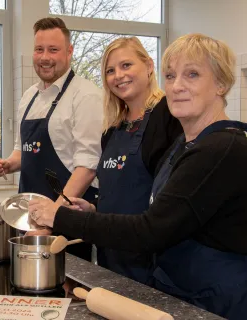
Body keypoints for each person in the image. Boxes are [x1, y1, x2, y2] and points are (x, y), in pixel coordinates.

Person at [28, 33, 247, 320]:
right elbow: (165, 209)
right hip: (180, 288)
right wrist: (93, 210)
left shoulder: (221, 149)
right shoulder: (186, 144)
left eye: (192, 74)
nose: (177, 86)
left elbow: (152, 229)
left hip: (219, 299)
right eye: (171, 75)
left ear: (221, 83)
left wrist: (58, 216)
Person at [0, 17, 103, 261]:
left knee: (68, 290)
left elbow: (87, 167)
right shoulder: (29, 96)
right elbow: (24, 150)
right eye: (39, 49)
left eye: (53, 50)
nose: (45, 57)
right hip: (29, 216)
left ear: (69, 52)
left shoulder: (86, 95)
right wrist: (9, 164)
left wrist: (52, 216)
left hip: (67, 219)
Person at [89, 37, 181, 285]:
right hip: (111, 257)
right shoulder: (112, 130)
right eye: (110, 71)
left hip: (152, 264)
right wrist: (94, 211)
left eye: (126, 65)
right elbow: (119, 192)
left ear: (149, 66)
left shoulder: (169, 118)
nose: (118, 75)